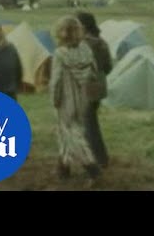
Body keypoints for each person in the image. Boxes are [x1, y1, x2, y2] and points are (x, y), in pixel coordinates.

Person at [49, 16, 101, 181]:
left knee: (71, 133)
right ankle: (63, 168)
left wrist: (54, 99)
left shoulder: (60, 54)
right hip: (82, 97)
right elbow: (94, 72)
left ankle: (91, 166)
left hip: (66, 99)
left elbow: (56, 81)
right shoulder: (86, 49)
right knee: (68, 131)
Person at [76, 12, 112, 168]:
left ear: (83, 26)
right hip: (99, 88)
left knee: (88, 127)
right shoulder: (102, 43)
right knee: (92, 124)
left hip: (86, 88)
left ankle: (96, 160)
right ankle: (101, 157)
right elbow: (108, 67)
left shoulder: (83, 45)